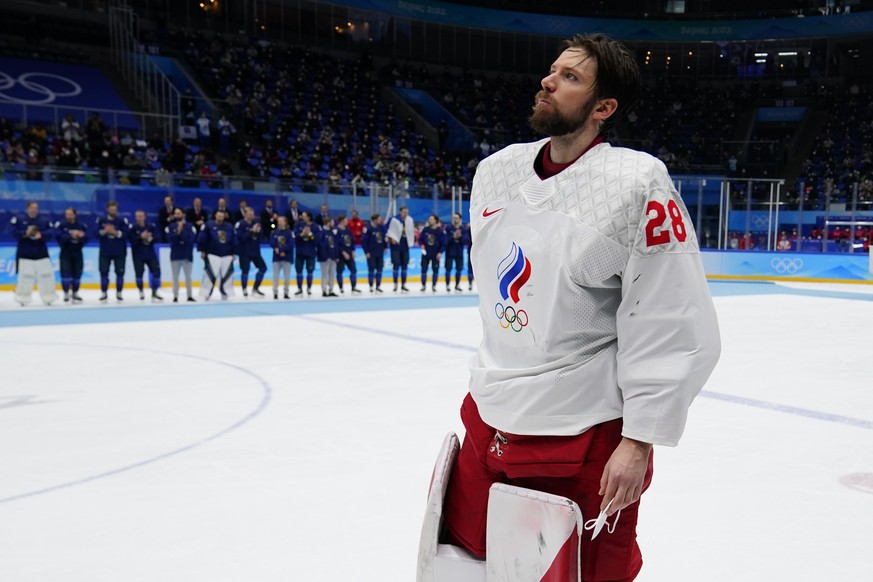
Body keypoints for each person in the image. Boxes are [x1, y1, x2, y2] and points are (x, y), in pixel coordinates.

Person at [439, 34, 721, 582]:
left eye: (570, 77)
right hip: (489, 417)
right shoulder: (494, 172)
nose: (548, 80)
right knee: (473, 561)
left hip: (583, 435)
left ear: (603, 108)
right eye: (552, 71)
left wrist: (637, 441)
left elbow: (671, 315)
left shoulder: (637, 183)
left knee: (582, 573)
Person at [11, 201, 57, 306]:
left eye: (36, 208)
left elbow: (51, 232)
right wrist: (25, 233)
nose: (34, 210)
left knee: (46, 277)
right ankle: (22, 298)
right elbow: (13, 232)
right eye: (32, 208)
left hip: (41, 253)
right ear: (27, 208)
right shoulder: (19, 219)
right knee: (25, 277)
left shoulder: (44, 220)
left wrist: (42, 235)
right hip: (25, 253)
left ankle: (48, 297)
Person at [197, 209, 236, 300]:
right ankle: (206, 293)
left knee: (227, 275)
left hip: (227, 254)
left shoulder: (229, 226)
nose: (220, 217)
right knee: (210, 274)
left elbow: (234, 240)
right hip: (212, 254)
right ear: (215, 216)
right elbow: (202, 238)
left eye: (222, 216)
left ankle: (225, 292)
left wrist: (234, 253)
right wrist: (202, 251)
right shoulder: (208, 225)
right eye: (218, 216)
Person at [95, 200, 129, 303]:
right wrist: (105, 231)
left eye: (114, 209)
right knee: (104, 272)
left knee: (120, 273)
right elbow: (95, 233)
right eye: (111, 209)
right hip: (105, 251)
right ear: (107, 209)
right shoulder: (101, 220)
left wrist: (115, 232)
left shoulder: (122, 220)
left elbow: (127, 234)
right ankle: (104, 293)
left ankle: (119, 293)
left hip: (119, 251)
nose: (113, 211)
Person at [55, 207, 89, 303]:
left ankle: (75, 293)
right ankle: (66, 293)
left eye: (70, 214)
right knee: (65, 273)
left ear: (74, 215)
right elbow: (58, 237)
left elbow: (87, 238)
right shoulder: (61, 225)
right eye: (67, 214)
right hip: (65, 252)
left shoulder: (81, 225)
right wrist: (70, 235)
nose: (68, 216)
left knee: (77, 274)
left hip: (77, 252)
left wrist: (81, 236)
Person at [128, 210, 164, 302]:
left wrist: (150, 238)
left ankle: (154, 291)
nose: (139, 218)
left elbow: (157, 236)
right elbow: (131, 240)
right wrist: (140, 237)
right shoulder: (133, 228)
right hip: (138, 255)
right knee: (139, 274)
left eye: (141, 216)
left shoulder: (150, 227)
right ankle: (141, 291)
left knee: (156, 271)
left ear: (145, 216)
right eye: (137, 216)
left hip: (150, 253)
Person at [166, 207, 197, 302]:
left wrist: (182, 232)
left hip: (187, 255)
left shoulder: (190, 226)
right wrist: (178, 233)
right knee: (175, 277)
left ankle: (189, 295)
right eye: (176, 213)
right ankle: (175, 296)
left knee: (188, 277)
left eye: (179, 213)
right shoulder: (170, 227)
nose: (177, 215)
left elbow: (190, 240)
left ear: (183, 214)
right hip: (175, 255)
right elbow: (170, 239)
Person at [235, 207, 267, 297]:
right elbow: (241, 238)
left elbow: (261, 237)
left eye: (252, 214)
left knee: (263, 268)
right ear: (244, 214)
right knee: (245, 270)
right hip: (244, 251)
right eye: (249, 214)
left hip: (255, 251)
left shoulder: (256, 223)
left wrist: (258, 232)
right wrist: (251, 231)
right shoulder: (240, 224)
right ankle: (244, 289)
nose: (252, 216)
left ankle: (255, 288)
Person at [386, 206, 414, 292]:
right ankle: (395, 284)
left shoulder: (410, 220)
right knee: (396, 264)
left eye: (407, 212)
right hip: (396, 245)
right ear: (400, 212)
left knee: (405, 265)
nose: (405, 214)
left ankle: (403, 284)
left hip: (405, 244)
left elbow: (411, 231)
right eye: (404, 212)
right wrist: (390, 239)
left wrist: (411, 242)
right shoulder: (394, 219)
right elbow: (386, 229)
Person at [293, 211, 319, 296]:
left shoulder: (315, 227)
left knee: (310, 271)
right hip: (300, 252)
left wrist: (310, 234)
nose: (302, 217)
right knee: (299, 270)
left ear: (308, 217)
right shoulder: (298, 225)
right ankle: (299, 288)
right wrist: (302, 234)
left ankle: (309, 288)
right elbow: (295, 237)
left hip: (310, 252)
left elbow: (316, 240)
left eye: (304, 216)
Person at [361, 213, 388, 293]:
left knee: (380, 269)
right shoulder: (367, 228)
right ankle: (371, 286)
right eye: (379, 219)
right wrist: (366, 252)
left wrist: (385, 247)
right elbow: (364, 241)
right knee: (371, 269)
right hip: (371, 253)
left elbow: (383, 238)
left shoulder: (381, 227)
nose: (381, 221)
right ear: (375, 220)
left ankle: (378, 286)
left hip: (380, 252)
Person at [419, 214, 445, 292]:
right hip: (426, 253)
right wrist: (422, 245)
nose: (430, 220)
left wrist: (440, 252)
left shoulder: (440, 231)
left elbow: (443, 243)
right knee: (424, 269)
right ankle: (423, 285)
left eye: (431, 219)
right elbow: (420, 239)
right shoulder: (425, 229)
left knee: (435, 270)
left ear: (436, 221)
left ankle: (434, 286)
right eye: (429, 219)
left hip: (435, 253)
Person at [335, 215, 361, 294]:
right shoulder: (337, 230)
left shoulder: (348, 230)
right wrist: (343, 252)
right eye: (346, 220)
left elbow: (352, 241)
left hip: (349, 254)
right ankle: (341, 288)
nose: (347, 221)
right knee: (340, 271)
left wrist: (353, 251)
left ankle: (353, 287)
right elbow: (337, 244)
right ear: (342, 220)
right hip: (341, 255)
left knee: (353, 270)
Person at [444, 212, 469, 292]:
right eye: (454, 218)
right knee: (448, 269)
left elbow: (466, 241)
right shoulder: (448, 228)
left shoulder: (463, 229)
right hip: (450, 251)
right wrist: (453, 236)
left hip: (459, 252)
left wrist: (460, 236)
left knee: (459, 269)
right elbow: (445, 240)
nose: (455, 219)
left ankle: (457, 285)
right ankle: (447, 285)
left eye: (456, 218)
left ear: (459, 219)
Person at [270, 215, 295, 299]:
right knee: (275, 276)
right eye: (278, 221)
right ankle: (275, 292)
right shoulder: (274, 232)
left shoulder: (290, 233)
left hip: (286, 257)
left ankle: (286, 292)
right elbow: (272, 242)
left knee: (287, 276)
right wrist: (276, 248)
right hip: (276, 258)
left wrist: (283, 251)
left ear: (285, 222)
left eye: (281, 221)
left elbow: (291, 244)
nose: (279, 222)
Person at [317, 216, 339, 297]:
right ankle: (324, 290)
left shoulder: (333, 232)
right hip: (324, 258)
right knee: (324, 274)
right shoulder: (321, 232)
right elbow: (320, 245)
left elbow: (335, 245)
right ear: (328, 222)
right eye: (332, 222)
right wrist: (326, 256)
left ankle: (331, 290)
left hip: (333, 257)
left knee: (332, 273)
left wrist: (336, 256)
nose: (333, 224)